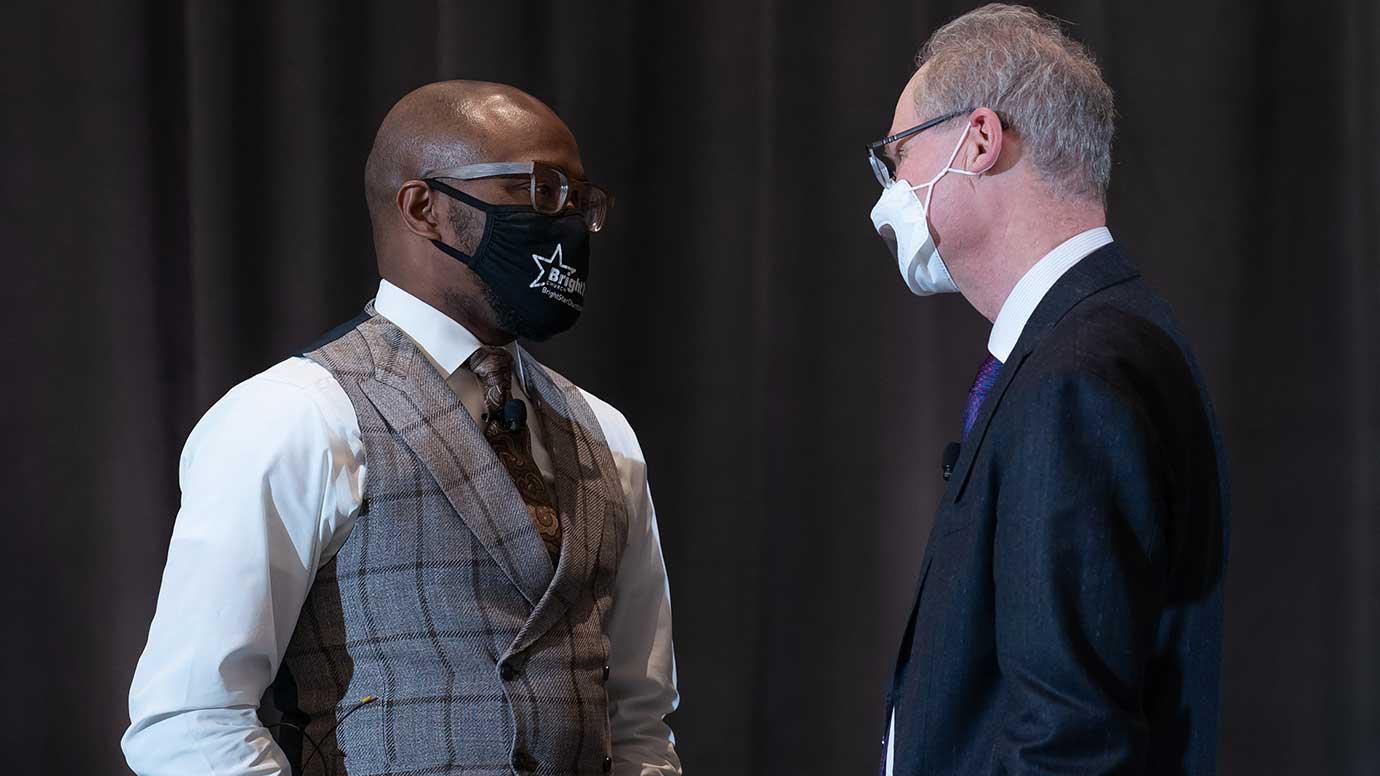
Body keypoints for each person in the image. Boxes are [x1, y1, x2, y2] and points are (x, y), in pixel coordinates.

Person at [122, 80, 681, 776]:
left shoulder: (605, 434)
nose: (566, 221)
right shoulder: (293, 415)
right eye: (539, 192)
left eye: (579, 201)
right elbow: (190, 719)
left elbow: (638, 721)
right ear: (424, 208)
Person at [867, 5, 1229, 774]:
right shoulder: (1102, 334)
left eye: (896, 156)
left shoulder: (1077, 375)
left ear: (979, 140)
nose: (888, 196)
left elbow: (1068, 741)